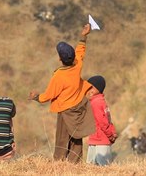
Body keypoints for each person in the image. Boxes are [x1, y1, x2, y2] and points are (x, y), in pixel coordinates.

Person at [28, 23, 96, 162]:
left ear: (60, 59)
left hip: (65, 111)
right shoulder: (77, 65)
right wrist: (84, 35)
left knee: (62, 138)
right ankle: (74, 163)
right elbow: (80, 50)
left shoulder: (59, 77)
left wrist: (36, 97)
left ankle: (59, 162)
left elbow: (48, 96)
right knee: (76, 137)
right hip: (79, 107)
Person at [86, 76, 117, 166]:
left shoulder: (96, 103)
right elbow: (108, 120)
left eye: (91, 87)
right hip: (98, 139)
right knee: (94, 166)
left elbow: (103, 123)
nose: (89, 90)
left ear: (98, 89)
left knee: (101, 167)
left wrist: (110, 135)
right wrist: (112, 133)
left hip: (100, 140)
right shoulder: (100, 101)